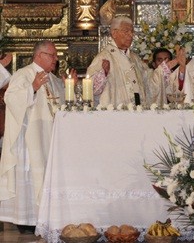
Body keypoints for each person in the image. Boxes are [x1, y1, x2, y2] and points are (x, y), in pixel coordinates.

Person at [0, 40, 76, 233]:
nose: (55, 59)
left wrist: (71, 87)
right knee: (32, 177)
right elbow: (10, 99)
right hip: (29, 140)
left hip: (50, 138)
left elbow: (64, 107)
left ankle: (45, 217)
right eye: (51, 55)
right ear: (39, 55)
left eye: (55, 55)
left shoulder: (54, 79)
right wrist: (32, 88)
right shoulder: (23, 74)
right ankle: (27, 220)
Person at [87, 16, 150, 107]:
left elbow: (148, 82)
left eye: (132, 32)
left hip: (138, 109)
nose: (131, 35)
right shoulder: (104, 57)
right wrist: (103, 73)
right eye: (126, 31)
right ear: (114, 33)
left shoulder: (135, 58)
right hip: (116, 112)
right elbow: (91, 88)